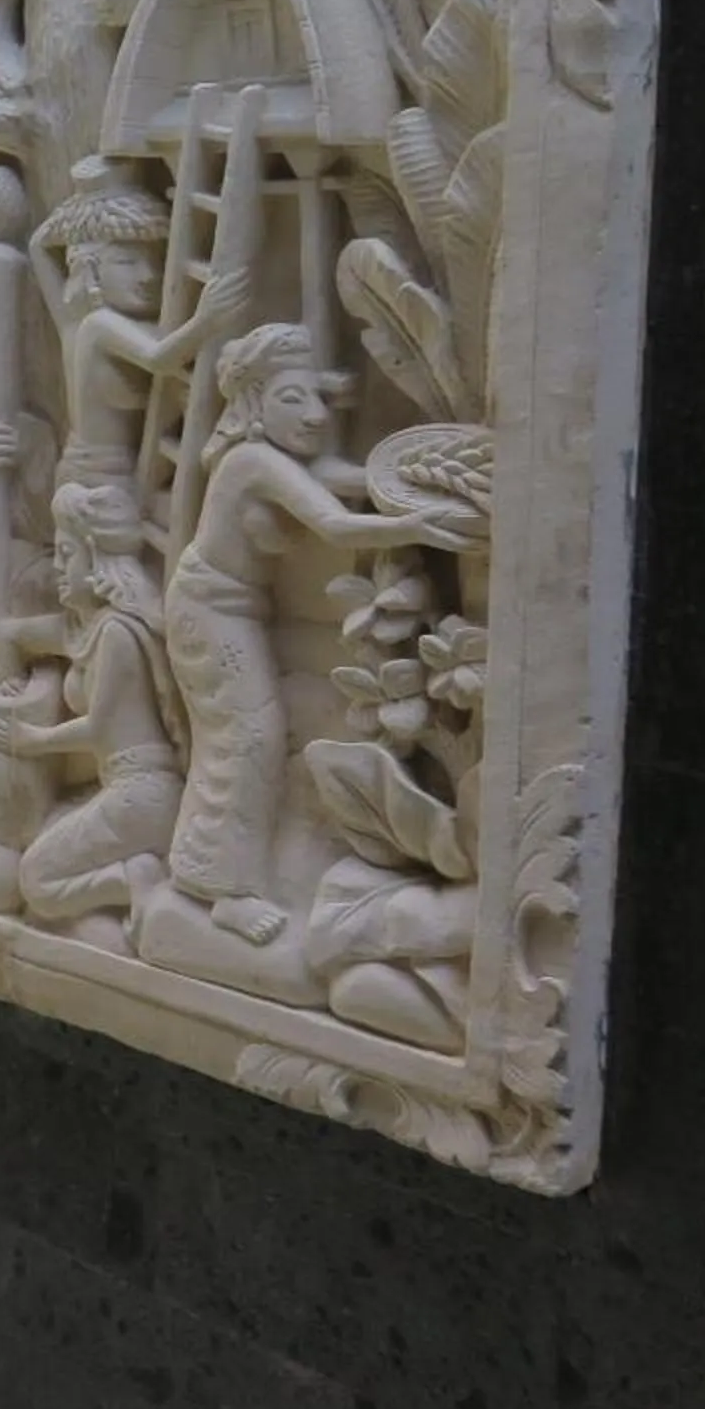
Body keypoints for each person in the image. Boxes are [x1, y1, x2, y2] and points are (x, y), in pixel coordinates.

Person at [158, 324, 472, 946]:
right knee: (248, 734)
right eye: (293, 398)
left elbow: (345, 480)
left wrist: (417, 483)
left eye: (317, 398)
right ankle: (221, 887)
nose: (315, 415)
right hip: (207, 610)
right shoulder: (250, 462)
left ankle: (211, 866)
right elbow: (336, 524)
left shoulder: (279, 460)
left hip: (233, 608)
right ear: (253, 402)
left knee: (251, 731)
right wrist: (423, 525)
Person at [0, 483, 186, 920]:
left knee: (35, 881)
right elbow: (10, 632)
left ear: (96, 557)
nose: (57, 566)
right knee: (38, 835)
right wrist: (6, 676)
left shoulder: (116, 633)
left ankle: (131, 880)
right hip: (121, 788)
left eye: (67, 554)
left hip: (145, 792)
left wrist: (30, 739)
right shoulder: (84, 629)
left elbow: (100, 728)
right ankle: (133, 874)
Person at [29, 156, 251, 491]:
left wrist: (84, 209)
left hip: (109, 474)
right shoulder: (98, 325)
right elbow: (158, 358)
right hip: (101, 480)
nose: (148, 275)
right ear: (90, 269)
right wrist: (206, 319)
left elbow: (38, 248)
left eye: (155, 261)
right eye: (126, 262)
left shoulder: (72, 323)